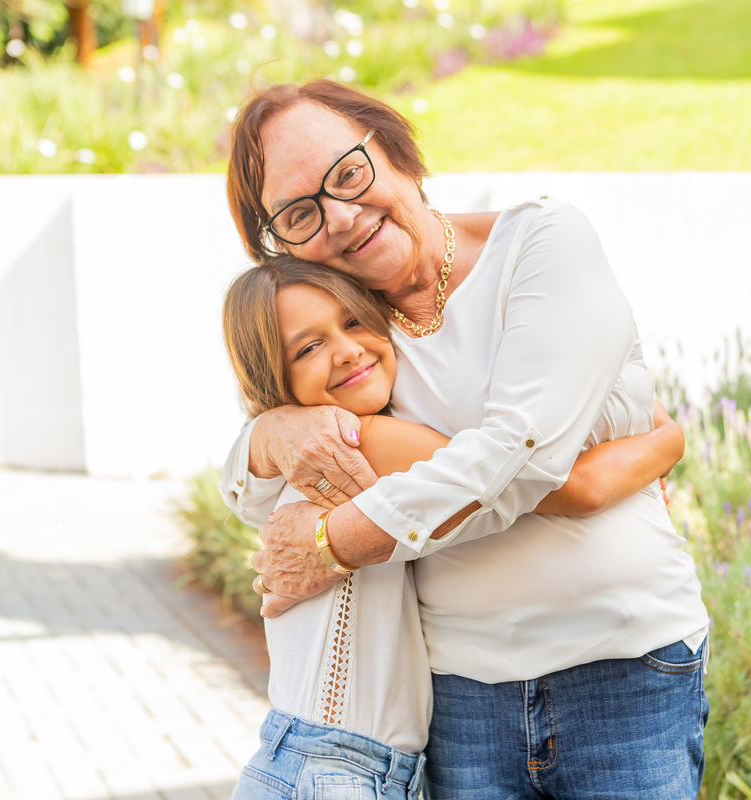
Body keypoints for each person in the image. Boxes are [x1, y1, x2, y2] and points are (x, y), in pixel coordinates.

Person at [221, 79, 711, 798]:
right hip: (463, 699)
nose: (341, 216)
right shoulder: (352, 333)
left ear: (398, 151)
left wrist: (333, 542)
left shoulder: (541, 243)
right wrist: (274, 429)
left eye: (349, 174)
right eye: (300, 213)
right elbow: (250, 483)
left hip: (623, 667)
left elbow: (524, 455)